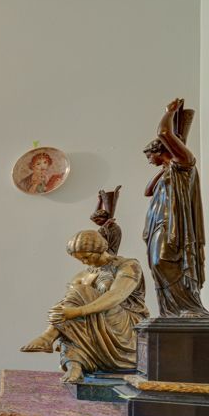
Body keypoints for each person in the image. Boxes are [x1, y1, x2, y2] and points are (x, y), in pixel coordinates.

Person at [21, 230, 149, 383]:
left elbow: (117, 295)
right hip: (95, 322)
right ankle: (74, 365)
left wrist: (78, 311)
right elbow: (68, 304)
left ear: (100, 249)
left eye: (87, 257)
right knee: (70, 315)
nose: (84, 262)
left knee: (80, 293)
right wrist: (62, 312)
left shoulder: (128, 265)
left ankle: (48, 336)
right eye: (80, 259)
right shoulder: (82, 275)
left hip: (126, 325)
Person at [142, 98, 208, 317]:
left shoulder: (185, 162)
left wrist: (169, 112)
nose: (148, 160)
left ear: (160, 150)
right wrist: (164, 168)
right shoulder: (170, 170)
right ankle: (170, 310)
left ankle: (189, 306)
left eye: (149, 155)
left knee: (165, 261)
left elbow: (163, 132)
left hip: (174, 226)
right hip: (159, 223)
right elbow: (148, 191)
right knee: (156, 264)